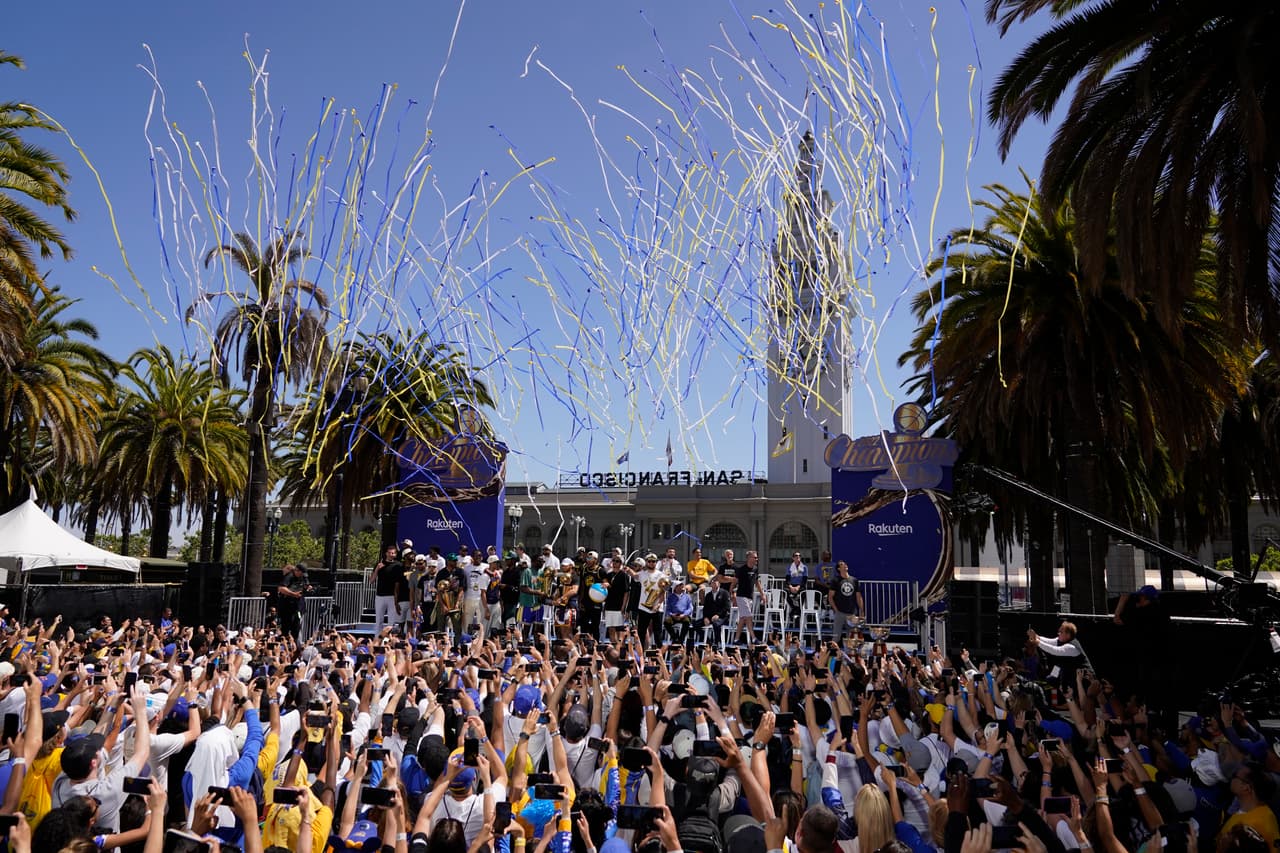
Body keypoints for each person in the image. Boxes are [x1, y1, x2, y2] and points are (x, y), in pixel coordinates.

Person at [1028, 620, 1092, 684]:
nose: (1058, 633)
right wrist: (1036, 636)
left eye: (1061, 632)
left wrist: (1036, 641)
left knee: (1054, 683)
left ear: (1068, 635)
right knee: (1050, 680)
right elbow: (1049, 641)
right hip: (1067, 670)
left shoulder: (1071, 647)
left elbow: (1054, 650)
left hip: (1085, 678)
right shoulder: (1060, 640)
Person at [732, 550, 765, 645]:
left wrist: (762, 594)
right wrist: (732, 593)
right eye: (754, 557)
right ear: (749, 558)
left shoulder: (755, 569)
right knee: (749, 617)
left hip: (749, 597)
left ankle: (736, 639)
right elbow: (735, 582)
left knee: (743, 619)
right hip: (741, 596)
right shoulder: (741, 569)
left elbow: (757, 582)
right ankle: (754, 638)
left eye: (756, 557)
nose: (756, 559)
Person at [636, 553, 669, 645]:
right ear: (646, 562)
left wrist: (658, 604)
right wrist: (626, 569)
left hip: (656, 607)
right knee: (641, 632)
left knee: (658, 633)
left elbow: (663, 591)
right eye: (649, 561)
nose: (651, 563)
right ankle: (641, 654)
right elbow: (634, 575)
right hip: (643, 606)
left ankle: (658, 655)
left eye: (653, 561)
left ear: (656, 562)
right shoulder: (642, 574)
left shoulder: (661, 575)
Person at [828, 560, 864, 642]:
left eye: (845, 563)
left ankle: (850, 654)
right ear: (838, 568)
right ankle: (832, 653)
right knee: (836, 636)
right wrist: (836, 610)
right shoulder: (835, 581)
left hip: (852, 613)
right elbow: (830, 597)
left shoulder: (854, 580)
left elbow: (859, 597)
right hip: (840, 612)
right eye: (841, 564)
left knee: (851, 637)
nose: (844, 565)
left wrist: (862, 611)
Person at [276, 563, 311, 641]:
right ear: (296, 571)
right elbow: (281, 588)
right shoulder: (289, 576)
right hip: (287, 606)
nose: (301, 575)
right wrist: (293, 594)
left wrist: (307, 588)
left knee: (296, 626)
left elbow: (306, 585)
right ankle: (284, 642)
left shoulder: (303, 577)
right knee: (286, 626)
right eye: (300, 573)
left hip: (297, 607)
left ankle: (294, 643)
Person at [373, 546, 404, 632]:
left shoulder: (399, 565)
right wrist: (377, 569)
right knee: (379, 620)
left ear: (395, 554)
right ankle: (377, 640)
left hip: (392, 597)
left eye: (393, 553)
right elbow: (372, 580)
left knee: (391, 622)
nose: (391, 555)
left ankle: (389, 640)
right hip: (380, 596)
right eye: (389, 553)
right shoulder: (379, 564)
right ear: (386, 553)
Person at [664, 580, 694, 647]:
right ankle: (675, 638)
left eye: (682, 586)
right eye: (680, 586)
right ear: (675, 587)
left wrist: (684, 614)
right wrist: (672, 614)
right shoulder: (670, 597)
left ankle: (681, 640)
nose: (682, 587)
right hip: (674, 615)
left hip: (683, 615)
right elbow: (668, 609)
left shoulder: (687, 596)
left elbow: (690, 608)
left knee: (687, 622)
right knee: (666, 622)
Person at [786, 551, 809, 630]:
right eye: (796, 555)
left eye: (799, 555)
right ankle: (794, 608)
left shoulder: (804, 567)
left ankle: (798, 610)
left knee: (803, 593)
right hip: (792, 585)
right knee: (784, 592)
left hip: (800, 586)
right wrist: (791, 587)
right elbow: (787, 579)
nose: (798, 557)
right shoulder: (789, 567)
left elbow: (804, 580)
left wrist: (798, 587)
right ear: (793, 558)